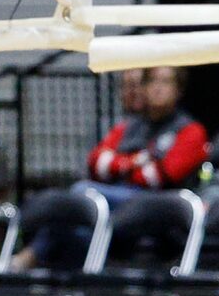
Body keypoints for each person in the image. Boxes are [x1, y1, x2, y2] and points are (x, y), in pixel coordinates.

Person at [85, 65, 207, 198]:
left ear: (179, 89)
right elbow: (95, 161)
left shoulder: (191, 130)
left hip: (162, 200)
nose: (157, 88)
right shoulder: (129, 126)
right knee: (83, 191)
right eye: (152, 81)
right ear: (143, 87)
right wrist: (132, 162)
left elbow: (159, 177)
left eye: (166, 82)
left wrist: (116, 166)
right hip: (122, 192)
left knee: (83, 191)